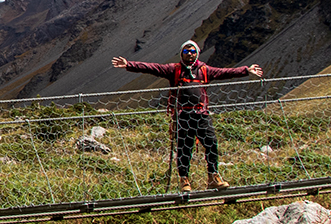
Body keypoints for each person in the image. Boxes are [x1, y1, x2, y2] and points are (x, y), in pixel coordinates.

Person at [112, 41, 263, 192]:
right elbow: (153, 68)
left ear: (197, 53)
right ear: (181, 54)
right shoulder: (174, 70)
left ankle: (213, 176)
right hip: (183, 115)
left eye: (192, 51)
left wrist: (246, 70)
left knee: (211, 144)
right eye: (186, 52)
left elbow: (225, 72)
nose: (189, 54)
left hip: (202, 115)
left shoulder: (205, 70)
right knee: (184, 149)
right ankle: (184, 180)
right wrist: (129, 64)